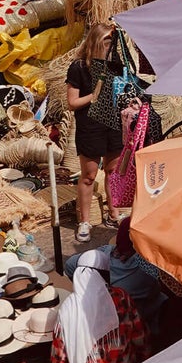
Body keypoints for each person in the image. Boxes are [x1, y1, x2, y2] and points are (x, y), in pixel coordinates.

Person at [66, 21, 123, 244]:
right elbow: (72, 102)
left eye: (112, 44)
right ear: (96, 43)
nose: (110, 49)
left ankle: (114, 214)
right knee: (89, 176)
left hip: (113, 123)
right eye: (107, 44)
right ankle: (85, 221)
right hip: (90, 126)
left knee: (113, 170)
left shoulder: (116, 64)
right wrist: (94, 96)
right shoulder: (79, 67)